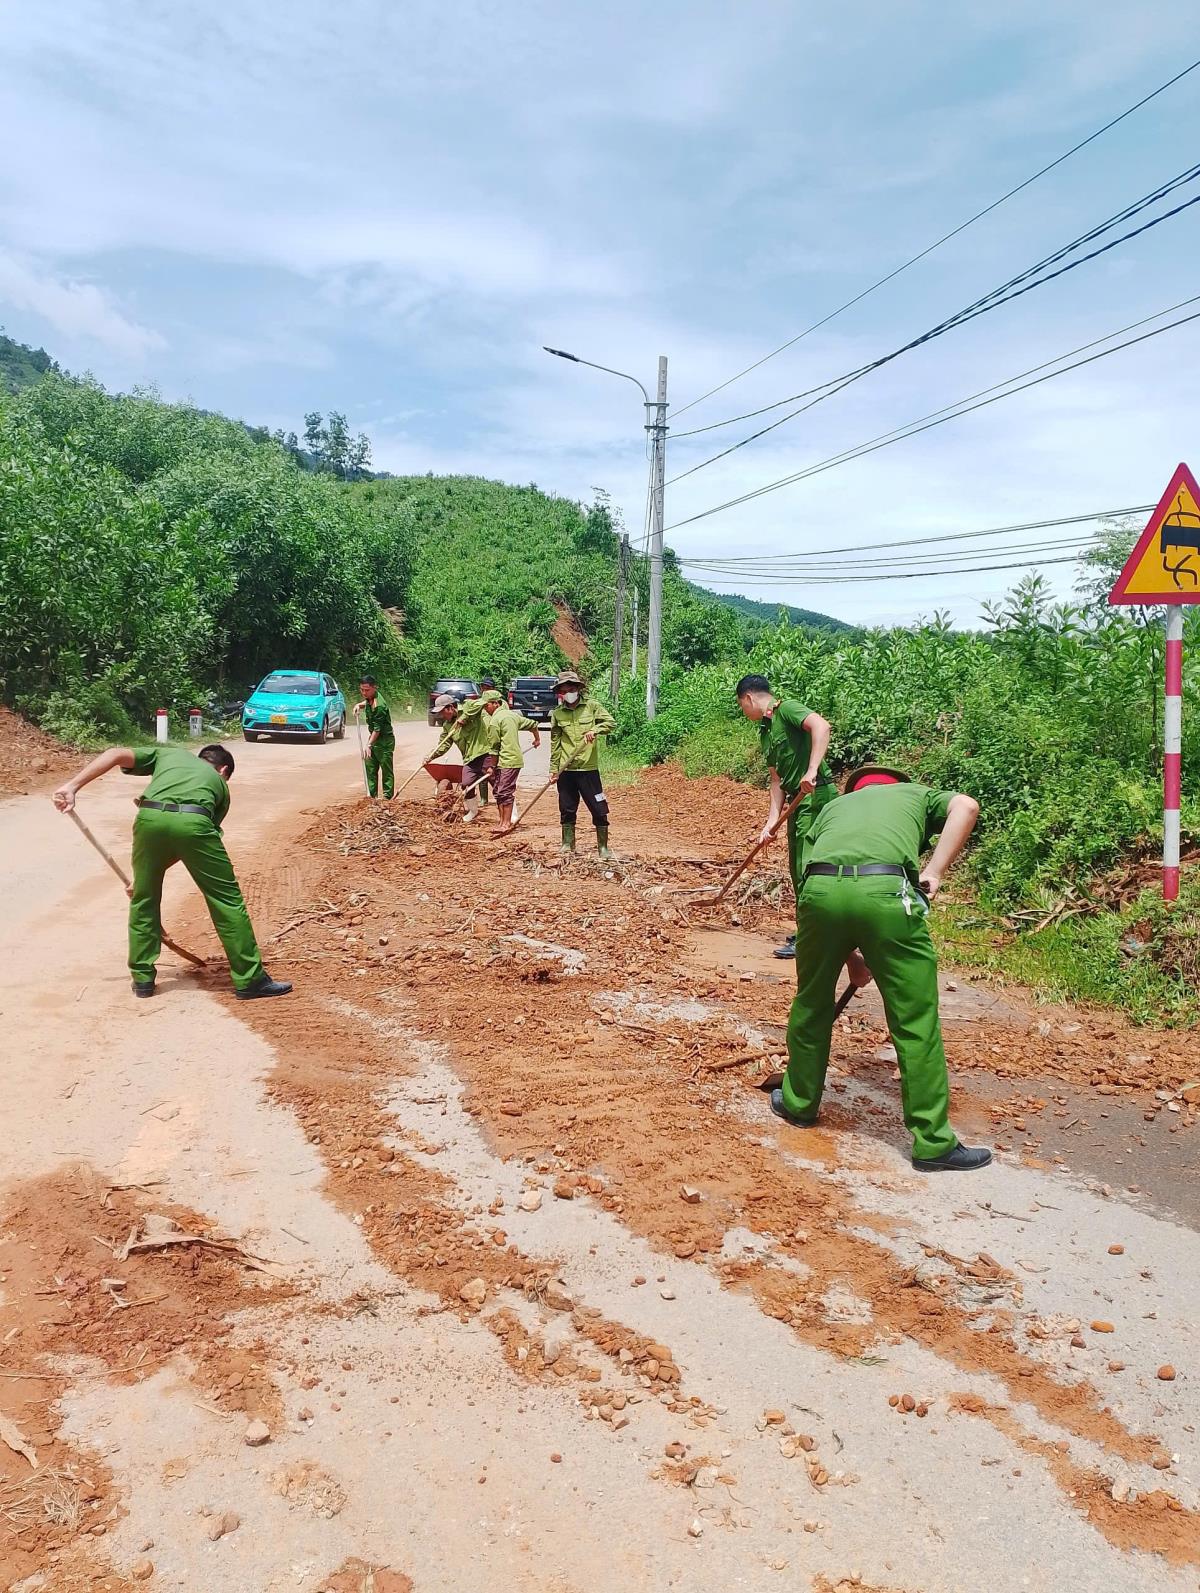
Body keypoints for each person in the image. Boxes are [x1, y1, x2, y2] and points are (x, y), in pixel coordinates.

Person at [771, 765, 990, 1172]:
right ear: (898, 785)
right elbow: (967, 806)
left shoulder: (833, 808)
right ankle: (933, 1142)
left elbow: (827, 881)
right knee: (914, 1017)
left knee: (812, 1000)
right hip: (887, 891)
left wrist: (851, 958)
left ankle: (799, 1102)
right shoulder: (917, 794)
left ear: (857, 789)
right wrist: (933, 872)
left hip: (819, 893)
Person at [52, 743, 291, 1002]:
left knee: (144, 898)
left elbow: (116, 753)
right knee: (226, 900)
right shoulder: (220, 787)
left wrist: (72, 787)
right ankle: (250, 979)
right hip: (195, 820)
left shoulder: (170, 754)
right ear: (223, 770)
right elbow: (191, 840)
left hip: (149, 816)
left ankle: (142, 979)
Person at [549, 669, 615, 858]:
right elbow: (555, 743)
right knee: (567, 808)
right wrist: (554, 770)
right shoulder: (557, 714)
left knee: (598, 808)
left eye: (571, 689)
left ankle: (603, 848)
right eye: (564, 690)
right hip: (566, 769)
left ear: (578, 689)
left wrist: (595, 730)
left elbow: (610, 723)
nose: (568, 693)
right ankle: (567, 844)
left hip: (588, 769)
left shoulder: (592, 707)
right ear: (560, 693)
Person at [479, 691, 540, 835]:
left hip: (507, 761)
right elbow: (532, 724)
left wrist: (492, 766)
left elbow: (494, 747)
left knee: (504, 792)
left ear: (495, 704)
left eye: (486, 706)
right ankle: (502, 822)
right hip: (512, 760)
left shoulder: (495, 721)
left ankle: (506, 823)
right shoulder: (512, 715)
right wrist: (537, 738)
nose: (485, 709)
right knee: (498, 791)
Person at [430, 692, 497, 823]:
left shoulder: (468, 708)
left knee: (497, 783)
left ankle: (511, 813)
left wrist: (464, 717)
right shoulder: (448, 725)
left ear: (450, 707)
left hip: (484, 754)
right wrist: (430, 756)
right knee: (466, 784)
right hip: (469, 759)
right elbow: (444, 744)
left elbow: (482, 701)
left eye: (443, 712)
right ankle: (473, 811)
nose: (442, 715)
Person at [353, 675, 395, 799]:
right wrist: (359, 705)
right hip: (374, 738)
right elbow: (367, 702)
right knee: (370, 766)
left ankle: (387, 798)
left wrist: (369, 745)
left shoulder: (379, 706)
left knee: (386, 769)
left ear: (374, 688)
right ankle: (372, 797)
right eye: (362, 690)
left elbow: (377, 729)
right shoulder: (370, 698)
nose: (364, 693)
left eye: (367, 690)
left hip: (385, 741)